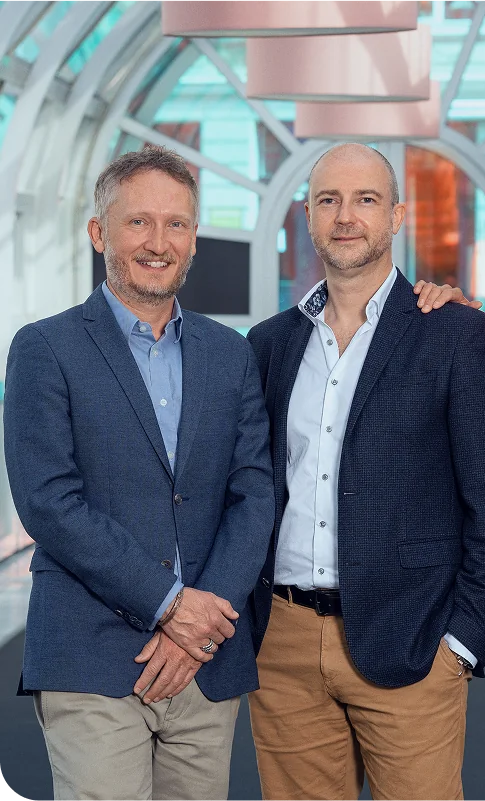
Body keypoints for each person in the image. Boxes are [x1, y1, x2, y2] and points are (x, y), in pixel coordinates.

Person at [245, 143, 485, 801]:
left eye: (365, 199)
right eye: (329, 200)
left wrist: (462, 641)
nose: (346, 216)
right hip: (284, 642)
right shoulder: (270, 344)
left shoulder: (455, 333)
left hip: (414, 639)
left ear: (397, 215)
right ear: (309, 217)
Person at [3, 146, 275, 801]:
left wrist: (200, 624)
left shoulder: (230, 354)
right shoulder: (45, 348)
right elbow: (48, 502)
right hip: (91, 655)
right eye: (138, 222)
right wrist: (171, 606)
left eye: (176, 223)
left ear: (194, 239)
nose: (159, 242)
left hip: (204, 660)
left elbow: (254, 493)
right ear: (99, 233)